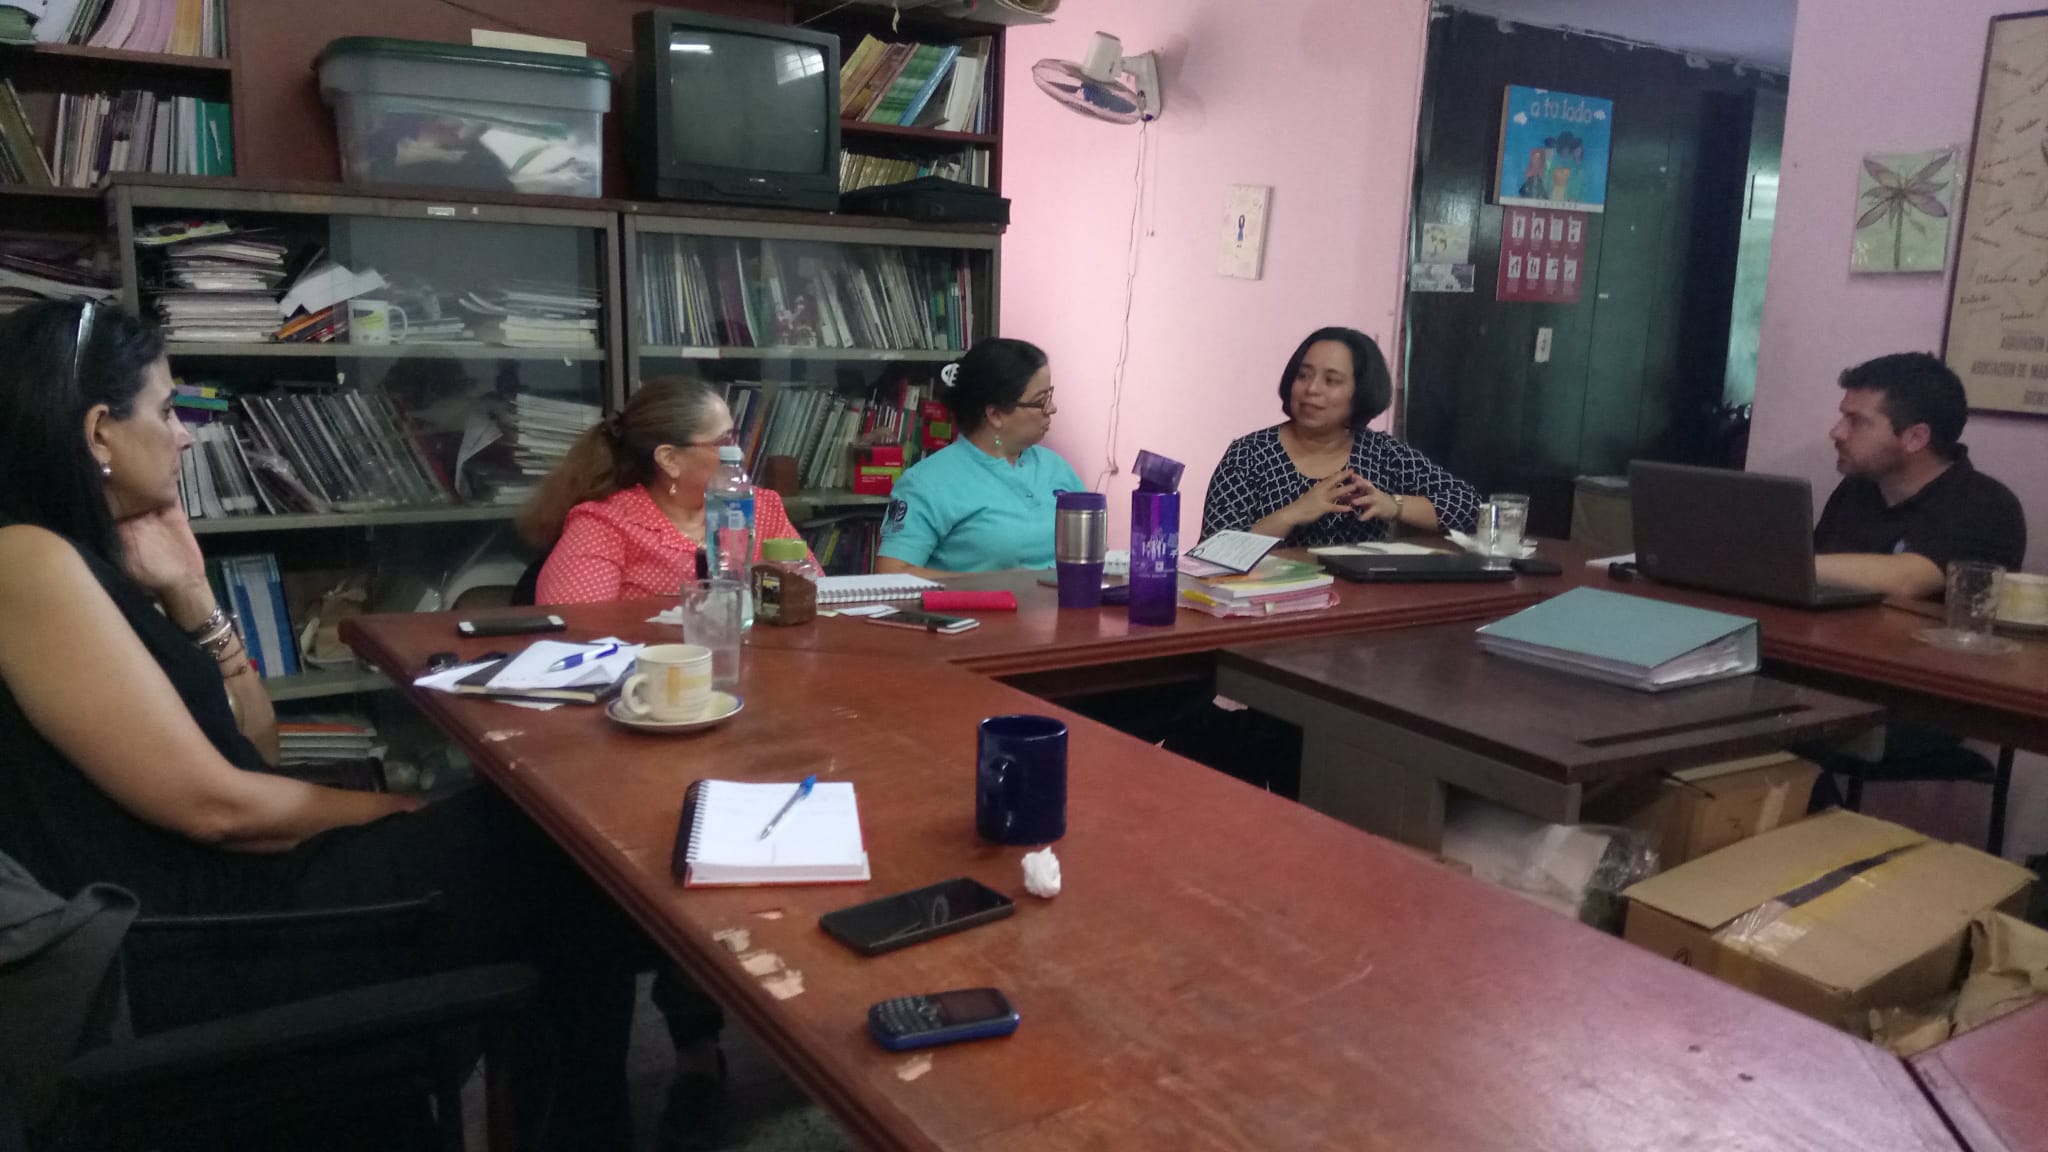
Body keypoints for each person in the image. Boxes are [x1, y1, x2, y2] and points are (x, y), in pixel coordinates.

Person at [0, 302, 716, 1152]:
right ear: (98, 433)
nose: (186, 436)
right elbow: (215, 806)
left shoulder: (94, 561)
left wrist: (192, 598)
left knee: (559, 875)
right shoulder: (26, 558)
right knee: (559, 850)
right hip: (193, 943)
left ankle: (584, 1117)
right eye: (164, 411)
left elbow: (253, 748)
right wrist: (393, 815)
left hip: (237, 893)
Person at [521, 378, 809, 604]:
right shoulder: (606, 525)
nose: (738, 451)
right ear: (670, 459)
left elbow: (817, 601)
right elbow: (577, 632)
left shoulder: (760, 507)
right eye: (724, 440)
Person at [1202, 327, 1480, 546]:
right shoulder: (1249, 454)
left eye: (1331, 381)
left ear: (1361, 393)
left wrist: (1394, 505)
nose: (1311, 389)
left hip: (1359, 607)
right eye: (1303, 376)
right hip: (1266, 607)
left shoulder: (1381, 452)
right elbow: (1212, 553)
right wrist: (1293, 514)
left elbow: (1470, 508)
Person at [1815, 352, 2026, 598]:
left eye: (1856, 421)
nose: (1836, 432)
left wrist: (1788, 565)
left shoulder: (1987, 504)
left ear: (1915, 438)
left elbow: (1907, 580)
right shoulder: (1858, 487)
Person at [876, 338, 1085, 575]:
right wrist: (988, 587)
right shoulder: (927, 482)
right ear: (995, 414)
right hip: (984, 609)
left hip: (1069, 608)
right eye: (1041, 402)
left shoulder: (1056, 467)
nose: (1052, 409)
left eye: (1050, 396)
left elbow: (1092, 550)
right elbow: (892, 572)